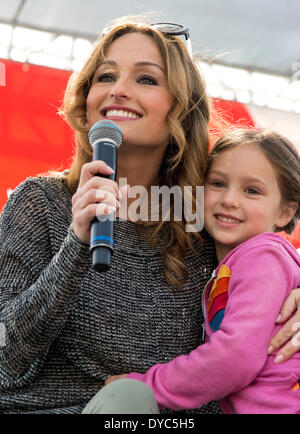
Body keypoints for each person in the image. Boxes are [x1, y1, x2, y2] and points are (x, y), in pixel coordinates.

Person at [0, 16, 299, 414]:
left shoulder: (207, 218)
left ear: (181, 107)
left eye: (146, 79)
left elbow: (270, 268)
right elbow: (5, 362)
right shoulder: (41, 202)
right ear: (85, 102)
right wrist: (76, 244)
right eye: (105, 76)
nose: (119, 90)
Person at [104, 129, 300, 414]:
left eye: (252, 191)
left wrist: (146, 386)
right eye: (218, 183)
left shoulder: (263, 256)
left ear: (285, 212)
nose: (230, 199)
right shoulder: (246, 259)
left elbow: (234, 358)